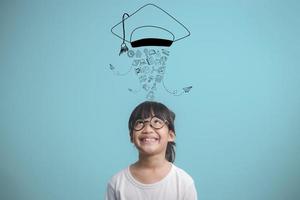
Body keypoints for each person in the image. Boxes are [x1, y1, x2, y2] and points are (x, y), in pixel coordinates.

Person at [105, 101, 198, 200]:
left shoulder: (184, 183)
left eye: (157, 122)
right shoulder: (117, 183)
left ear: (170, 135)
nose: (147, 129)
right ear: (132, 137)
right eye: (140, 122)